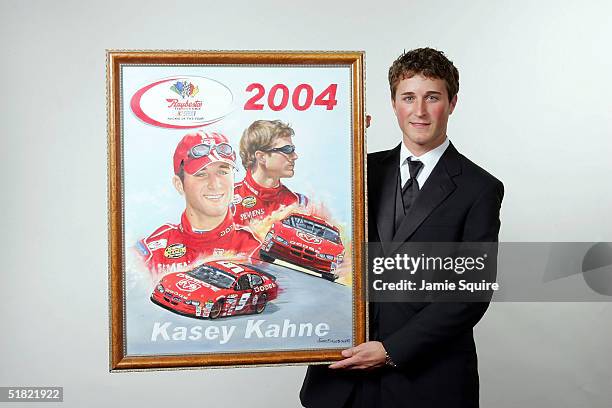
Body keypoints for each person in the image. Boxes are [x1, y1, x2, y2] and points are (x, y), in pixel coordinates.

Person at [300, 48, 504, 407]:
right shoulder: (357, 169)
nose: (420, 111)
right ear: (394, 104)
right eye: (408, 97)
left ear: (452, 103)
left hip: (427, 382)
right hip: (341, 383)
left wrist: (392, 349)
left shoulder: (480, 188)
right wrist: (335, 146)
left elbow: (471, 292)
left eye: (433, 97)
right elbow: (306, 209)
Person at [137, 131, 260, 276]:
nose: (215, 185)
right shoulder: (151, 254)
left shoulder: (254, 249)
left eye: (222, 172)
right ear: (179, 184)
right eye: (201, 174)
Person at [233, 120, 308, 227]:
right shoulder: (226, 200)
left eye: (293, 149)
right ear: (261, 157)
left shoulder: (299, 203)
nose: (295, 156)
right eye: (287, 150)